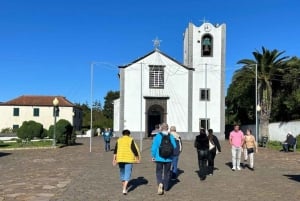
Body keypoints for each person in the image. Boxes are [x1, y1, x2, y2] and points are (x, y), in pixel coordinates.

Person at [151, 123, 176, 195]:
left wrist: (153, 155)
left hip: (159, 157)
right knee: (167, 172)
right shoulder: (171, 136)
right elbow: (174, 146)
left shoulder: (157, 136)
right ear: (167, 128)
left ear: (161, 128)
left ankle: (160, 183)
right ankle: (166, 187)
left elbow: (154, 147)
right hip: (168, 158)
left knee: (159, 171)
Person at [112, 129, 140, 195]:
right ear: (129, 134)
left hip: (120, 158)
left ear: (123, 134)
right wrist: (137, 158)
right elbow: (134, 149)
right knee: (128, 173)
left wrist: (114, 159)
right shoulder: (130, 140)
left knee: (122, 172)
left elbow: (115, 150)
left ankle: (124, 185)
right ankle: (124, 188)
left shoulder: (119, 140)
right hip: (129, 159)